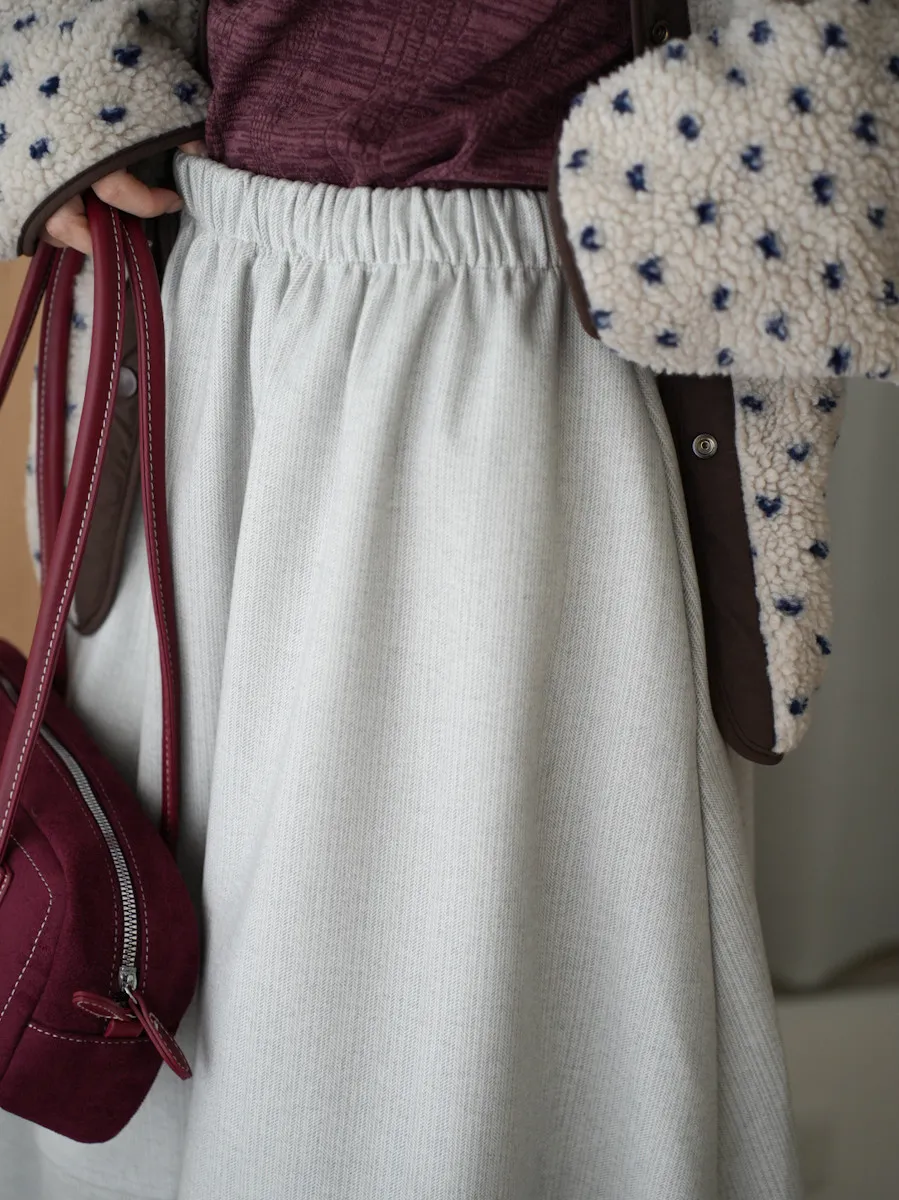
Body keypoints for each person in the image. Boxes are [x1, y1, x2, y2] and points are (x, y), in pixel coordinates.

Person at [0, 1, 800, 1196]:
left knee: (459, 955)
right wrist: (57, 86)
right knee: (163, 904)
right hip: (208, 316)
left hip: (529, 328)